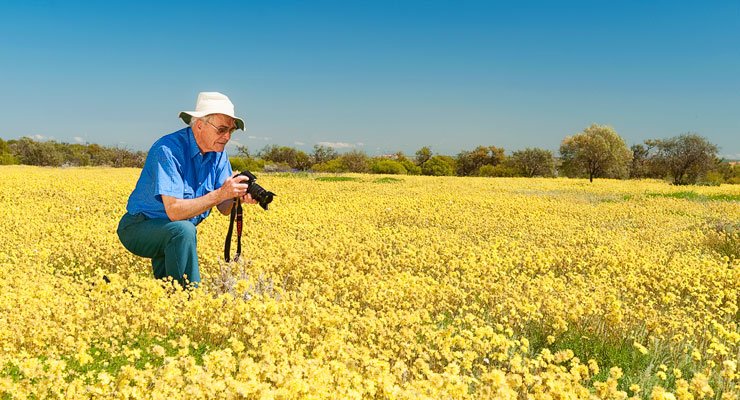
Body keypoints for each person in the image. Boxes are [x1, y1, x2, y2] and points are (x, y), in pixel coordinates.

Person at [117, 92, 256, 288]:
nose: (227, 137)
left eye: (231, 131)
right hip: (139, 227)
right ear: (199, 125)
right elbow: (174, 211)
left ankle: (172, 307)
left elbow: (224, 208)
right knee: (183, 231)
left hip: (172, 233)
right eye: (222, 129)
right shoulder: (168, 150)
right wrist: (220, 193)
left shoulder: (218, 154)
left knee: (166, 291)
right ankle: (191, 300)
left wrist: (237, 197)